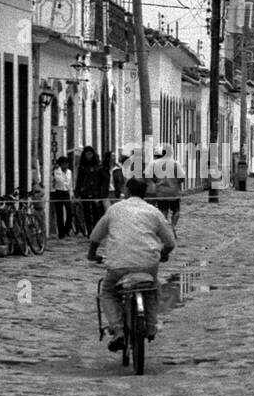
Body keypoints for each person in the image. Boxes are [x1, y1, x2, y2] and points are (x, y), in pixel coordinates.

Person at [87, 178, 176, 350]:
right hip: (147, 264)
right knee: (152, 289)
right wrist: (163, 254)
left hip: (118, 265)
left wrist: (92, 254)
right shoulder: (154, 212)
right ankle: (150, 326)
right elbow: (170, 242)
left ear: (127, 192)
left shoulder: (115, 209)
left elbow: (95, 236)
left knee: (108, 292)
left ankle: (118, 329)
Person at [150, 143, 185, 228]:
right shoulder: (176, 163)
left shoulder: (155, 163)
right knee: (176, 210)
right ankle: (172, 227)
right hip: (174, 192)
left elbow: (151, 176)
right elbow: (182, 177)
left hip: (161, 191)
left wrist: (157, 182)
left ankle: (165, 228)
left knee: (163, 211)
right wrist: (176, 182)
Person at [75, 145, 106, 235]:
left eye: (90, 154)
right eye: (87, 154)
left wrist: (102, 193)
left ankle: (96, 231)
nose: (89, 156)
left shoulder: (98, 166)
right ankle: (89, 232)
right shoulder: (82, 167)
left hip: (96, 192)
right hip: (85, 191)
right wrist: (77, 193)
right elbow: (79, 181)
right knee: (86, 213)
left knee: (96, 212)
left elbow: (102, 180)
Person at [51, 156, 73, 238]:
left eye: (67, 163)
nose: (66, 165)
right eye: (64, 164)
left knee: (70, 212)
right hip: (59, 192)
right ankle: (61, 233)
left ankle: (67, 228)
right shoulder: (57, 171)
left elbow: (70, 183)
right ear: (61, 164)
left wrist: (71, 193)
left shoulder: (69, 172)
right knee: (59, 214)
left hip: (66, 192)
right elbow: (58, 180)